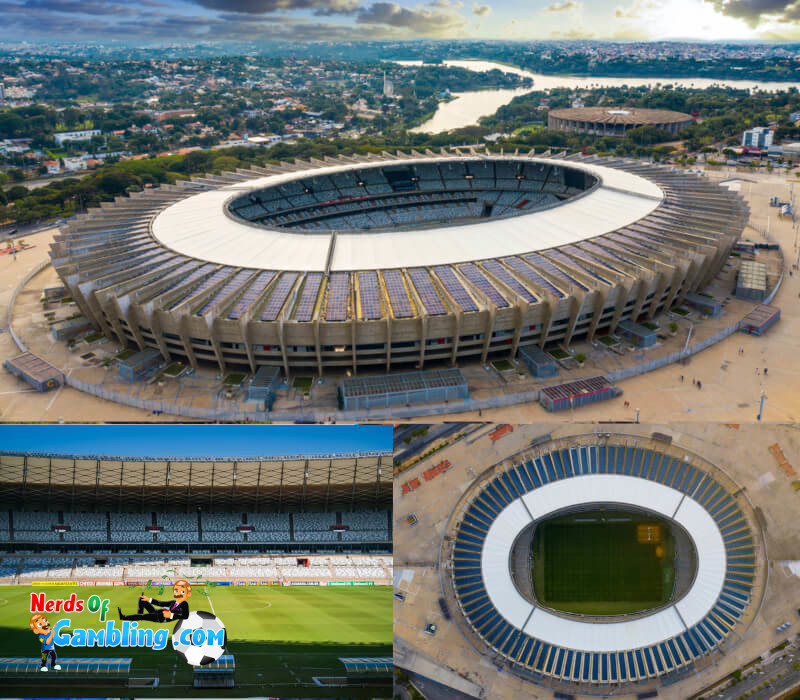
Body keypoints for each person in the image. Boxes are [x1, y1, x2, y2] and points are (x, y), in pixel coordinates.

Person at [118, 579, 192, 623]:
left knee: (143, 616)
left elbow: (185, 616)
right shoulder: (173, 602)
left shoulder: (184, 604)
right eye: (176, 591)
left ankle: (124, 617)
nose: (178, 594)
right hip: (157, 612)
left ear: (188, 594)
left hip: (160, 618)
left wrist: (171, 615)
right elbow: (160, 603)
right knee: (142, 599)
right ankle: (138, 616)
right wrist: (148, 599)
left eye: (182, 592)